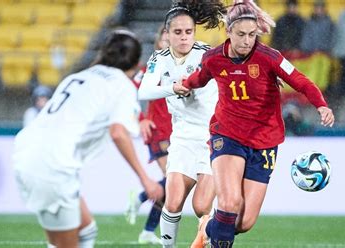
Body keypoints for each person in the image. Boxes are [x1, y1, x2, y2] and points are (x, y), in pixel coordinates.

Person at [181, 1, 335, 247]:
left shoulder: (269, 57)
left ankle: (207, 228)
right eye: (241, 34)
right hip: (227, 135)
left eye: (252, 35)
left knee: (243, 222)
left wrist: (321, 104)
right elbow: (199, 78)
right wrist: (185, 85)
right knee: (229, 203)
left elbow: (301, 81)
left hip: (265, 142)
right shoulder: (213, 58)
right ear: (228, 32)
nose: (246, 41)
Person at [13, 30, 164, 248]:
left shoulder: (78, 76)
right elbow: (118, 132)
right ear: (136, 62)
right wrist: (145, 179)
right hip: (52, 164)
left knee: (85, 230)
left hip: (27, 151)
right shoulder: (121, 85)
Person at [138, 1, 226, 247]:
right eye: (178, 32)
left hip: (213, 138)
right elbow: (144, 92)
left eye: (188, 32)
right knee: (173, 201)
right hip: (182, 139)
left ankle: (210, 236)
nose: (184, 37)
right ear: (167, 33)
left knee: (201, 206)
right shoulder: (160, 58)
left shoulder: (207, 54)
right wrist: (173, 89)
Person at [125, 25, 171, 245]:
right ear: (159, 42)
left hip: (179, 131)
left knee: (174, 185)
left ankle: (147, 231)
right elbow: (128, 91)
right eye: (165, 38)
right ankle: (142, 198)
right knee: (173, 180)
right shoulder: (152, 67)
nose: (169, 41)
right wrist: (141, 118)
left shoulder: (186, 66)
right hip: (158, 131)